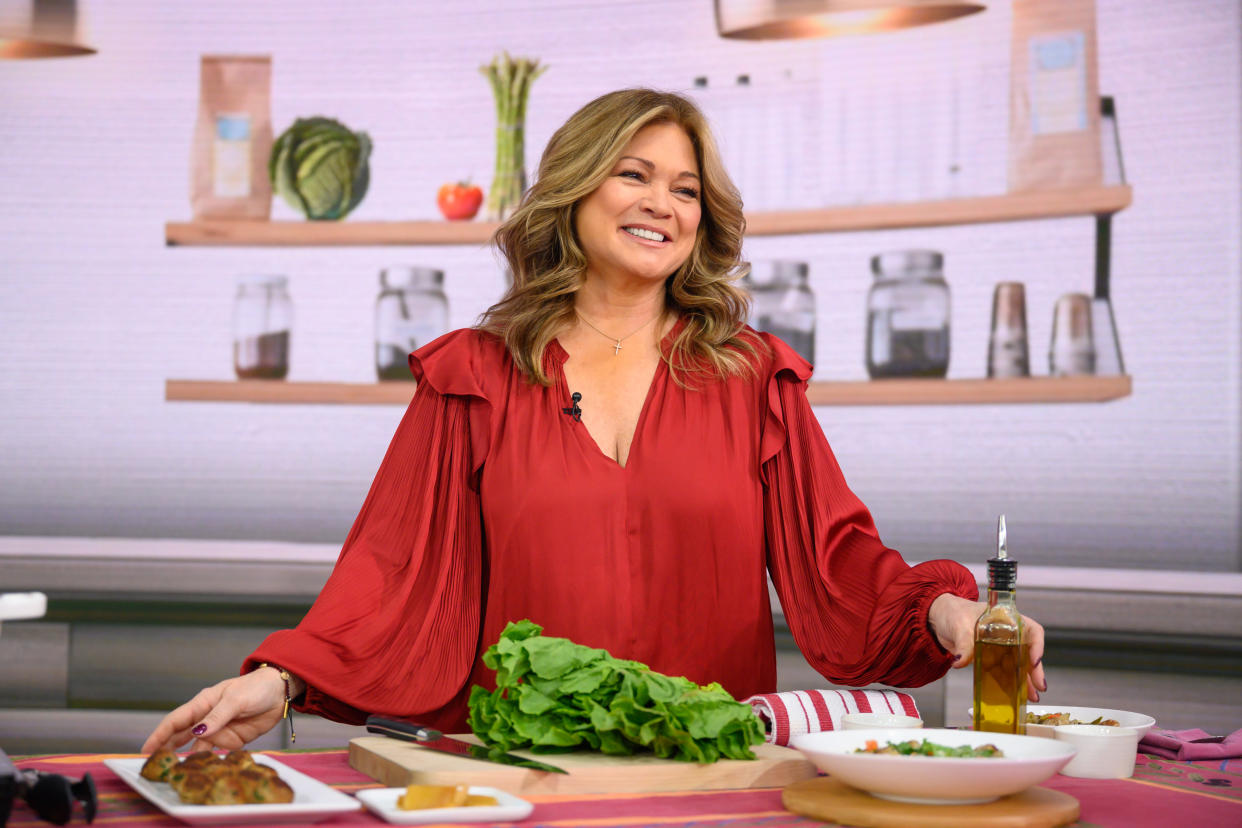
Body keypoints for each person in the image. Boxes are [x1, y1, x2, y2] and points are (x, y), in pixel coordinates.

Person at [142, 89, 1046, 754]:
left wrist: (951, 611)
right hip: (511, 779)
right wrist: (281, 678)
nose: (664, 204)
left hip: (709, 779)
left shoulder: (754, 377)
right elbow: (390, 571)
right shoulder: (472, 376)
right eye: (635, 174)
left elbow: (840, 560)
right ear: (573, 192)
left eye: (687, 190)